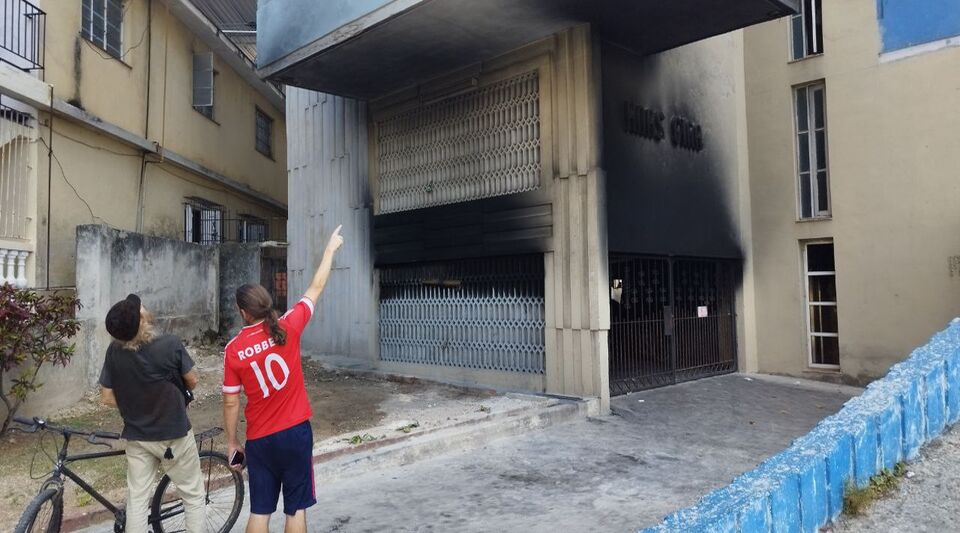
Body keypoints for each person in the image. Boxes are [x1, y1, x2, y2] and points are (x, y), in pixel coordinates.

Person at [223, 225, 344, 533]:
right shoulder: (289, 326)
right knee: (295, 509)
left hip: (260, 440)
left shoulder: (234, 349)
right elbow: (315, 288)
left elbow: (230, 401)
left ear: (243, 313)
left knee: (260, 512)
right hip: (295, 434)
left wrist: (233, 442)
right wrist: (330, 249)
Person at [98, 294, 205, 533]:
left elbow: (106, 397)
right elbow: (193, 381)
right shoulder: (169, 344)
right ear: (142, 320)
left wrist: (134, 402)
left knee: (136, 500)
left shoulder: (113, 352)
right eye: (140, 308)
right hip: (174, 434)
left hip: (138, 437)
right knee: (193, 496)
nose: (144, 307)